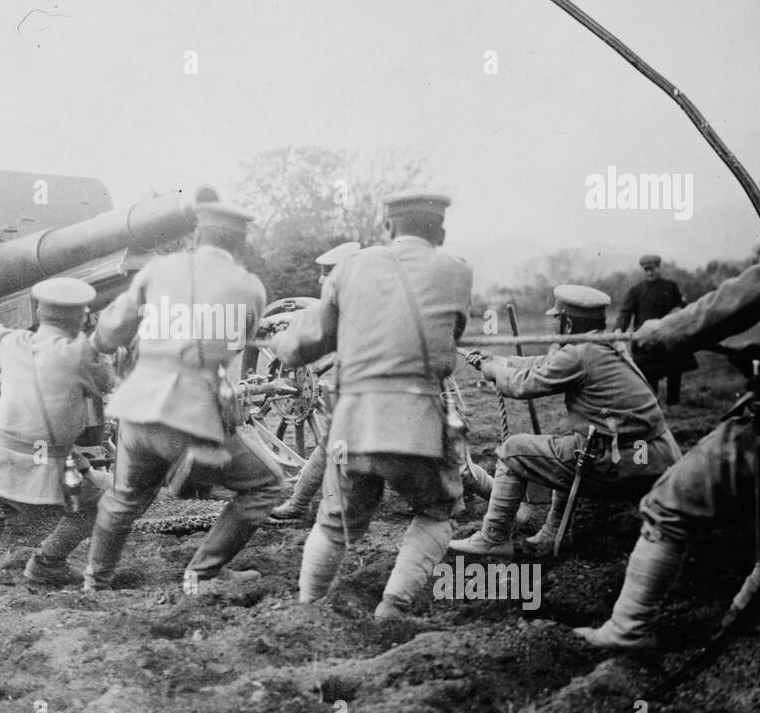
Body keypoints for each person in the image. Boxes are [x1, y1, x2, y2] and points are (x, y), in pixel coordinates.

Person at [576, 155, 760, 651]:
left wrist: (657, 336)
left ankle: (628, 629)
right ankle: (741, 625)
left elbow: (715, 312)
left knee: (668, 503)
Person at [273, 192, 473, 622]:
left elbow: (303, 345)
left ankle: (308, 608)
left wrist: (281, 341)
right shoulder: (458, 272)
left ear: (388, 227)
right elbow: (451, 331)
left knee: (333, 523)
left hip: (354, 427)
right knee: (437, 514)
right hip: (420, 424)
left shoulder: (349, 269)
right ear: (440, 231)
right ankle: (394, 608)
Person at [83, 201, 283, 593]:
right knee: (266, 486)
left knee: (124, 497)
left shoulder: (157, 270)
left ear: (195, 234)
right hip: (191, 416)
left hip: (136, 411)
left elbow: (109, 333)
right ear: (241, 245)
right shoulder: (249, 287)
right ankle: (203, 574)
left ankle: (95, 580)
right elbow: (235, 345)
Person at [451, 285, 682, 558]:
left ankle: (493, 538)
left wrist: (493, 371)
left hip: (622, 462)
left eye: (555, 318)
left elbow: (522, 386)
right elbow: (548, 363)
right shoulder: (604, 344)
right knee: (568, 446)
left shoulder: (580, 354)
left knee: (514, 450)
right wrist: (500, 360)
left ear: (568, 322)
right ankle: (552, 533)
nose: (552, 323)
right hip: (657, 458)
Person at [0, 278, 117, 584]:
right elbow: (107, 382)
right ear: (79, 318)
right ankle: (47, 562)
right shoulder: (80, 353)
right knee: (107, 496)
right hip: (44, 465)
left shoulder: (12, 342)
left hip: (0, 459)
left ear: (39, 313)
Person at [269, 240, 360, 522]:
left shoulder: (350, 306)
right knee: (332, 442)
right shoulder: (360, 300)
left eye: (327, 271)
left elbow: (303, 347)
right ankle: (299, 503)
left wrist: (280, 343)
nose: (321, 279)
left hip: (379, 392)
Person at [615, 255, 696, 404]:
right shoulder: (636, 290)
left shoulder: (671, 287)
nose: (650, 273)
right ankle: (652, 406)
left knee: (674, 371)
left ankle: (674, 404)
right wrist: (619, 328)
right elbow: (625, 312)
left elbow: (681, 306)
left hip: (668, 339)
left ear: (659, 268)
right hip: (646, 342)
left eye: (652, 269)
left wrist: (681, 311)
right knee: (648, 376)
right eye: (647, 270)